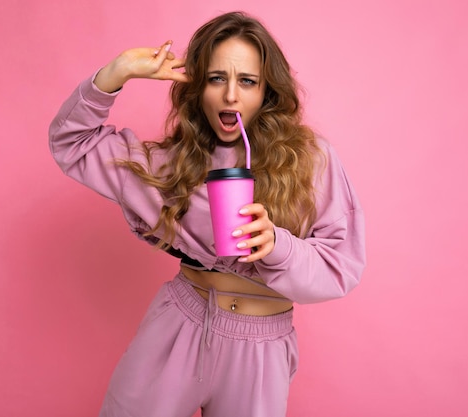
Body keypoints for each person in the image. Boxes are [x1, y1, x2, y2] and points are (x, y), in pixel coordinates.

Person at [49, 11, 365, 417]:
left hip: (261, 348)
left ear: (268, 91)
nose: (231, 95)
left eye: (247, 81)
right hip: (179, 324)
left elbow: (342, 266)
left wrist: (277, 246)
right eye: (217, 78)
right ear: (198, 87)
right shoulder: (169, 164)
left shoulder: (311, 161)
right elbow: (71, 142)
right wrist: (118, 71)